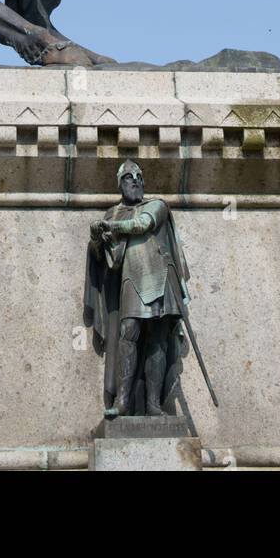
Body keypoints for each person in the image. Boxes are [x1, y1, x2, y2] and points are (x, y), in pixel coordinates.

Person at [84, 159, 189, 416]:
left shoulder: (157, 205)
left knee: (158, 340)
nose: (135, 181)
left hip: (161, 278)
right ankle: (123, 401)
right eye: (129, 177)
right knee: (128, 331)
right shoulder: (113, 213)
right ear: (120, 184)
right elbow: (105, 257)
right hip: (131, 278)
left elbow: (142, 224)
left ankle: (153, 404)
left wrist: (110, 227)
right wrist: (98, 238)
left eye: (138, 177)